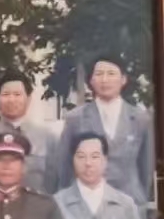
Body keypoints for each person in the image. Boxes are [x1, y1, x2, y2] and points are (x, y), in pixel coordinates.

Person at [57, 56, 153, 209]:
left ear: (123, 79)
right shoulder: (75, 118)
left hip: (130, 203)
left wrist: (139, 196)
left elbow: (146, 168)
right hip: (87, 205)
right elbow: (64, 167)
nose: (104, 79)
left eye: (111, 74)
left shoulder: (140, 119)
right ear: (91, 81)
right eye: (99, 74)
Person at [0, 71, 58, 193]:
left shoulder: (47, 137)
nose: (11, 99)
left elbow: (54, 180)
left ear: (29, 99)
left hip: (36, 203)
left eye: (17, 94)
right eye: (6, 94)